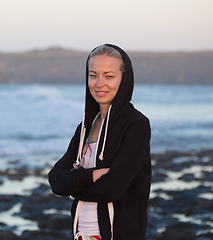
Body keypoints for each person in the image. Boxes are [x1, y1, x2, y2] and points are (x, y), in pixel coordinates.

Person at [48, 44, 151, 240]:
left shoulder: (136, 125)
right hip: (81, 235)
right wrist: (91, 176)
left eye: (109, 76)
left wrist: (74, 182)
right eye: (93, 75)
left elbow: (111, 189)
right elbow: (55, 180)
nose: (99, 83)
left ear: (124, 79)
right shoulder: (85, 127)